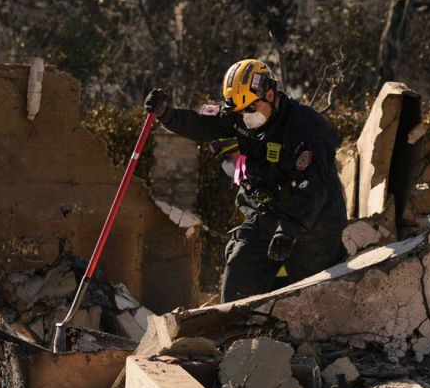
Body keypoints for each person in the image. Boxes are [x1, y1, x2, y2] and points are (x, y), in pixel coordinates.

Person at [145, 59, 347, 303]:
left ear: (269, 94)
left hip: (314, 223)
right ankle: (234, 327)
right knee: (239, 271)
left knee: (318, 297)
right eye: (239, 111)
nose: (244, 116)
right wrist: (167, 114)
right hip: (269, 213)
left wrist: (289, 230)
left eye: (250, 109)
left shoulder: (306, 128)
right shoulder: (240, 112)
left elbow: (313, 186)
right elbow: (202, 124)